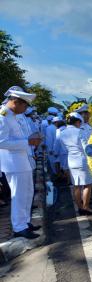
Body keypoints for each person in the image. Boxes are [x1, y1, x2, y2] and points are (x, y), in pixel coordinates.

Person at [0, 86, 42, 239]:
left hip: (23, 160)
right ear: (16, 102)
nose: (25, 109)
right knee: (18, 195)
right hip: (13, 163)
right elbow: (2, 142)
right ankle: (19, 227)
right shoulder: (3, 116)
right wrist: (28, 142)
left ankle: (25, 222)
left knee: (27, 193)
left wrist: (31, 140)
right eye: (24, 105)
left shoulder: (13, 115)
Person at [55, 112, 92, 215]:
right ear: (77, 122)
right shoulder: (80, 132)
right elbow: (86, 147)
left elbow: (63, 148)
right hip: (82, 160)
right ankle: (86, 207)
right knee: (88, 184)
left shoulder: (62, 133)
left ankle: (80, 207)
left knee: (76, 185)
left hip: (71, 160)